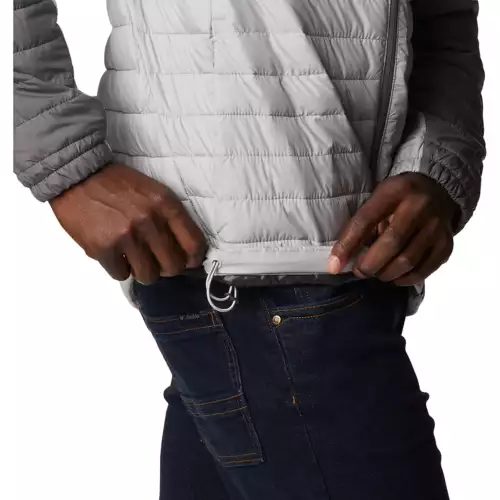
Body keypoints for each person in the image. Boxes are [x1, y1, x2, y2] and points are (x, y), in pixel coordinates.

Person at [14, 0, 485, 498]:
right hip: (246, 271)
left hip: (343, 273)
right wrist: (58, 151)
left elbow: (445, 18)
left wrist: (436, 162)